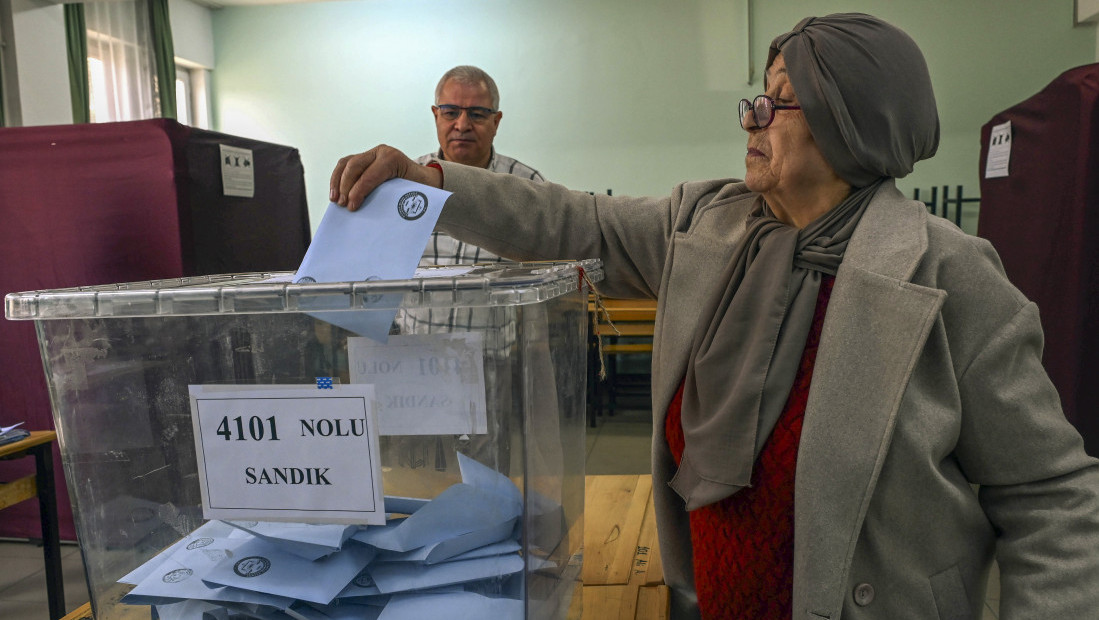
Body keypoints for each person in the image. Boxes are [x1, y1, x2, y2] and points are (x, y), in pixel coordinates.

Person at [330, 13, 1099, 620]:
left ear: (848, 120)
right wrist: (428, 179)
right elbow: (575, 219)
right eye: (754, 99)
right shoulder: (709, 223)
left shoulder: (950, 275)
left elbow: (1051, 500)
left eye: (775, 101)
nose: (749, 118)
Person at [416, 65, 544, 267]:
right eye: (451, 112)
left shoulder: (529, 185)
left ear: (496, 121)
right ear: (436, 116)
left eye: (477, 114)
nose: (462, 125)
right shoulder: (408, 182)